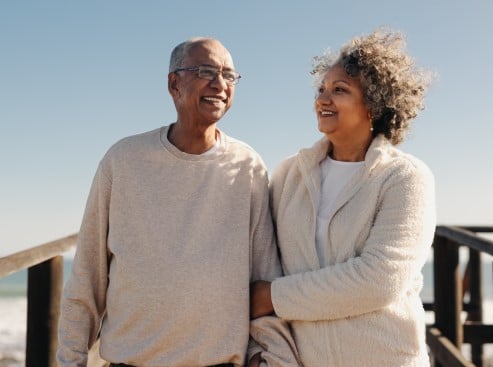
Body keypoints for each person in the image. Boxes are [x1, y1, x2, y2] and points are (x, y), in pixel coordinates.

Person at [57, 37, 299, 367]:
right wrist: (71, 361)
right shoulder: (123, 160)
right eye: (205, 71)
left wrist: (270, 358)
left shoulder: (248, 166)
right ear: (174, 84)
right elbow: (86, 279)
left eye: (229, 75)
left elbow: (264, 275)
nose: (220, 84)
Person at [251, 28, 436, 366]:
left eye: (340, 90)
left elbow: (380, 279)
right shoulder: (287, 176)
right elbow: (265, 263)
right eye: (321, 89)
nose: (323, 99)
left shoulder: (406, 177)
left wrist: (272, 296)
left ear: (375, 104)